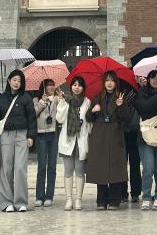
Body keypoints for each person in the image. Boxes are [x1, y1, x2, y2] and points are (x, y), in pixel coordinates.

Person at [0, 69, 37, 212]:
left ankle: (20, 202)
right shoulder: (0, 98)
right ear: (9, 81)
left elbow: (32, 119)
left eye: (19, 81)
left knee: (20, 169)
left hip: (22, 135)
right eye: (14, 80)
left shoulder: (26, 98)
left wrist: (31, 136)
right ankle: (6, 202)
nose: (17, 83)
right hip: (6, 136)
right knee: (6, 169)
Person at [85, 71, 132, 210]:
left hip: (115, 133)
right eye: (107, 80)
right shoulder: (97, 98)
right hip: (99, 134)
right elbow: (88, 117)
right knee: (101, 167)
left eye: (112, 80)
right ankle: (101, 200)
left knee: (115, 167)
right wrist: (93, 110)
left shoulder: (120, 97)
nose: (109, 83)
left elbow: (126, 118)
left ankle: (114, 200)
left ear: (115, 83)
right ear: (103, 83)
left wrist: (121, 105)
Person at [133, 70, 157, 210]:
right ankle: (146, 197)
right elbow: (144, 107)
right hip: (145, 136)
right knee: (148, 168)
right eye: (153, 78)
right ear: (148, 80)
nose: (156, 80)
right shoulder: (142, 92)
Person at [56, 76, 91, 211]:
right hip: (68, 140)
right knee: (68, 171)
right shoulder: (65, 101)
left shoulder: (87, 102)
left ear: (83, 87)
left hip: (81, 140)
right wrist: (62, 103)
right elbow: (59, 119)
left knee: (80, 172)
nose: (77, 87)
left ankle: (78, 199)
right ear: (71, 87)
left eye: (79, 85)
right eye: (74, 85)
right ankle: (69, 199)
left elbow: (89, 122)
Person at [33, 79, 59, 207]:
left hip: (53, 134)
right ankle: (39, 196)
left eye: (53, 84)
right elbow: (33, 114)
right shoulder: (36, 100)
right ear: (43, 87)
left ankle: (49, 196)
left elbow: (61, 114)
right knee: (42, 166)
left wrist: (60, 100)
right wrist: (42, 103)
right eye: (49, 85)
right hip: (40, 135)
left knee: (52, 166)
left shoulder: (57, 99)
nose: (51, 87)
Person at [121, 98, 142, 205]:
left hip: (135, 131)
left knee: (135, 164)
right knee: (121, 164)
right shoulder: (117, 92)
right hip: (121, 132)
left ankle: (135, 193)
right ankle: (122, 192)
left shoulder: (138, 91)